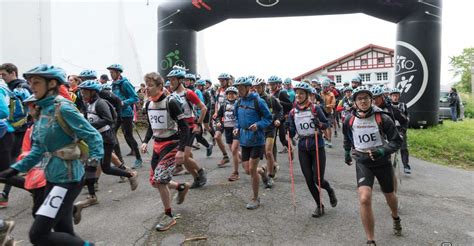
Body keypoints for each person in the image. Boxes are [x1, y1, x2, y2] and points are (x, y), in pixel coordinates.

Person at [0, 64, 103, 245]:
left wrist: (92, 167)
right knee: (63, 230)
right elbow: (38, 150)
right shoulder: (42, 111)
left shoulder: (63, 108)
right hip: (52, 176)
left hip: (68, 179)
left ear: (52, 83)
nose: (32, 86)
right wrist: (14, 170)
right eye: (31, 82)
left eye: (36, 82)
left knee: (38, 234)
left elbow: (93, 136)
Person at [342, 86, 403, 246]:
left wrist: (382, 151)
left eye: (366, 98)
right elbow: (347, 138)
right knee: (364, 198)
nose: (363, 101)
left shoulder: (382, 118)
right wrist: (347, 153)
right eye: (359, 98)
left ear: (371, 99)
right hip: (363, 162)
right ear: (354, 102)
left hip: (382, 162)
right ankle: (371, 240)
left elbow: (397, 141)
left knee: (390, 196)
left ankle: (395, 216)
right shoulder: (349, 119)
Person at [74, 80, 138, 216]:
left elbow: (108, 120)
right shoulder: (89, 104)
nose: (82, 94)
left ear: (93, 92)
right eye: (82, 91)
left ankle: (130, 175)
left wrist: (90, 127)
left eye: (85, 91)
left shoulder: (100, 103)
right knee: (90, 167)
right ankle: (92, 197)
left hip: (106, 139)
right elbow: (87, 120)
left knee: (106, 169)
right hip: (94, 140)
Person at [140, 72, 190, 231]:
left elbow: (185, 127)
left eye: (150, 85)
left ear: (160, 87)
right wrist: (145, 141)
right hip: (157, 145)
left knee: (160, 181)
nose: (146, 89)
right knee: (155, 181)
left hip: (171, 144)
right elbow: (151, 126)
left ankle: (168, 215)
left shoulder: (171, 102)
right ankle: (181, 187)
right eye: (145, 85)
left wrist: (181, 150)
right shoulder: (148, 104)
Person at [287, 82, 337, 217]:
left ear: (308, 95)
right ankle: (319, 205)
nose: (298, 95)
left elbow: (326, 124)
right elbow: (291, 133)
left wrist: (319, 124)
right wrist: (288, 128)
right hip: (303, 147)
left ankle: (329, 190)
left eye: (301, 93)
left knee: (318, 179)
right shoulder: (293, 112)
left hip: (317, 146)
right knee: (309, 179)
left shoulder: (315, 108)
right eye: (297, 93)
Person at [233, 77, 272, 209]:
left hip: (257, 140)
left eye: (242, 87)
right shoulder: (237, 103)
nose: (239, 90)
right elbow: (237, 119)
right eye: (238, 88)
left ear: (248, 88)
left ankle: (255, 198)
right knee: (248, 170)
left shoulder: (258, 101)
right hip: (244, 140)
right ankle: (263, 173)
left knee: (252, 169)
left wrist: (258, 125)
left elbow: (268, 118)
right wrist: (236, 128)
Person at [167, 68, 207, 188]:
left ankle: (200, 171)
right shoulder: (172, 95)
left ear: (180, 80)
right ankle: (197, 179)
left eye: (173, 80)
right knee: (186, 158)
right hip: (178, 128)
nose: (171, 82)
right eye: (169, 80)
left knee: (183, 157)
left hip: (189, 127)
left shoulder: (188, 93)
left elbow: (203, 108)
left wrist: (198, 124)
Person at [0, 63, 32, 208]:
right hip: (12, 129)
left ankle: (5, 194)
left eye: (4, 74)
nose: (2, 77)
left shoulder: (22, 87)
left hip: (20, 130)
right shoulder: (8, 88)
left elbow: (32, 107)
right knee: (12, 164)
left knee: (10, 165)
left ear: (13, 72)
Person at [107, 64, 143, 168]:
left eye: (112, 72)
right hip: (116, 113)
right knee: (112, 135)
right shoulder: (113, 84)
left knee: (128, 136)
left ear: (118, 73)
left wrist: (123, 103)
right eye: (110, 72)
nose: (111, 74)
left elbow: (135, 98)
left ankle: (138, 159)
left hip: (126, 113)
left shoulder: (125, 83)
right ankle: (119, 161)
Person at [252, 78, 283, 188]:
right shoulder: (253, 100)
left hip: (270, 128)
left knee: (269, 152)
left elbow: (280, 110)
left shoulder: (271, 99)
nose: (257, 89)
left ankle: (270, 175)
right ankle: (273, 167)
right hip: (260, 130)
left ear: (264, 87)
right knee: (265, 154)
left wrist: (278, 119)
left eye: (259, 87)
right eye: (255, 87)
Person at [215, 86, 241, 181]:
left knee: (234, 149)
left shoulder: (239, 104)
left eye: (233, 94)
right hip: (227, 129)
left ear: (236, 95)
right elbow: (218, 116)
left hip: (236, 129)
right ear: (226, 95)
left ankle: (236, 172)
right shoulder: (224, 105)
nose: (231, 95)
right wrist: (218, 121)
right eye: (229, 94)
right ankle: (241, 156)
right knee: (232, 149)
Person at [268, 76, 293, 155]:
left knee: (282, 139)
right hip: (272, 119)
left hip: (282, 118)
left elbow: (290, 105)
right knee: (273, 141)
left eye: (273, 84)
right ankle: (274, 162)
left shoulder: (282, 92)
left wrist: (280, 102)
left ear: (277, 84)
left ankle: (290, 149)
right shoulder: (269, 93)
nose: (271, 86)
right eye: (270, 84)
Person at [390, 88, 411, 174]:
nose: (395, 97)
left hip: (401, 129)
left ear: (399, 96)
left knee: (403, 148)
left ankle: (406, 166)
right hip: (391, 129)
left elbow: (407, 117)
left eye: (397, 95)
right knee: (389, 147)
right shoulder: (388, 106)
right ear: (390, 96)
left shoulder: (403, 105)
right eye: (393, 96)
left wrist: (404, 129)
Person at [213, 73, 232, 166]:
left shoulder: (232, 90)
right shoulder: (218, 90)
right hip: (221, 117)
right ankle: (225, 156)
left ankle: (242, 157)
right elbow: (217, 103)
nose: (221, 82)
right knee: (217, 136)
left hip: (230, 117)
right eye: (220, 80)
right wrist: (216, 112)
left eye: (223, 80)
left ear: (227, 81)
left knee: (232, 145)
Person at [320, 79, 336, 148]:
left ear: (329, 87)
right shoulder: (320, 94)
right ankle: (326, 138)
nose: (325, 89)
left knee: (328, 127)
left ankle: (329, 140)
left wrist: (327, 106)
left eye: (326, 87)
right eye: (324, 87)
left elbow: (333, 104)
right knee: (323, 127)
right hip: (321, 112)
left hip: (328, 112)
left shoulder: (331, 94)